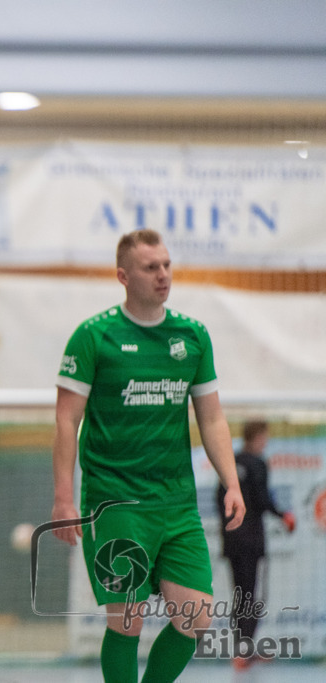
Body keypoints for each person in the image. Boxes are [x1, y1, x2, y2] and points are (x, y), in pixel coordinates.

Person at [51, 229, 246, 683]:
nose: (162, 275)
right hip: (114, 499)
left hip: (176, 502)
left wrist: (232, 482)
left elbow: (212, 419)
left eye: (166, 265)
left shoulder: (192, 336)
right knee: (127, 618)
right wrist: (63, 498)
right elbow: (66, 419)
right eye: (149, 267)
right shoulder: (93, 337)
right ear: (123, 276)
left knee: (195, 617)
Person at [215, 419, 296, 671]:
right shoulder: (258, 463)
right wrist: (284, 515)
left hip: (232, 540)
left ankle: (242, 650)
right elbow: (262, 499)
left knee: (240, 595)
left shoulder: (230, 463)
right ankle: (243, 651)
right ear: (259, 436)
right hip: (251, 541)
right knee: (250, 595)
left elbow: (220, 499)